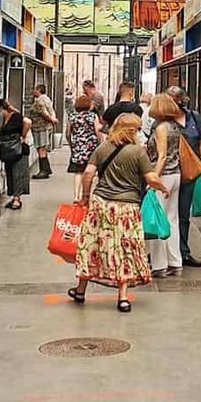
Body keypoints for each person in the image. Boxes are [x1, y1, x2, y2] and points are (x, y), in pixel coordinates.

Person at [70, 114, 167, 312]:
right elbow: (150, 178)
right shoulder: (138, 152)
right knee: (124, 248)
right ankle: (123, 298)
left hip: (101, 205)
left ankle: (80, 290)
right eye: (138, 129)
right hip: (127, 207)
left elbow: (88, 173)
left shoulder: (103, 148)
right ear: (132, 131)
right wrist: (162, 188)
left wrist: (86, 196)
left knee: (93, 245)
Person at [168, 85, 201, 268]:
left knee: (183, 213)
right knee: (168, 213)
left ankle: (183, 251)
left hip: (189, 173)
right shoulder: (162, 122)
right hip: (169, 174)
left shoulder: (194, 117)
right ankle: (165, 253)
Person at [147, 92, 185, 277]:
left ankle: (159, 265)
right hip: (176, 174)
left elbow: (161, 155)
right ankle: (175, 262)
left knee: (156, 220)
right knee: (171, 219)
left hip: (164, 177)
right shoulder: (175, 126)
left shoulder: (161, 128)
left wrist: (154, 177)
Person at [0, 98, 32, 209]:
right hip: (8, 149)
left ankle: (17, 199)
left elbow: (28, 122)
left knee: (17, 173)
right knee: (9, 172)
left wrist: (23, 136)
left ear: (1, 108)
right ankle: (13, 197)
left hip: (17, 148)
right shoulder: (5, 119)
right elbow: (7, 131)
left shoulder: (15, 116)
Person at [66, 95, 103, 202]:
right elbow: (98, 131)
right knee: (89, 172)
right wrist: (100, 143)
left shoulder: (72, 116)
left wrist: (71, 144)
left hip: (77, 146)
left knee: (78, 172)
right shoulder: (93, 116)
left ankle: (76, 196)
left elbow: (68, 133)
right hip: (91, 147)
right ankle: (86, 195)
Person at [29, 85, 58, 179]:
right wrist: (52, 119)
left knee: (40, 148)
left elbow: (43, 112)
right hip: (45, 127)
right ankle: (46, 168)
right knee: (43, 148)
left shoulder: (39, 100)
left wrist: (51, 120)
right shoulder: (47, 99)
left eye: (35, 89)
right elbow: (51, 111)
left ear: (39, 90)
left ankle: (43, 170)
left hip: (39, 127)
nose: (33, 91)